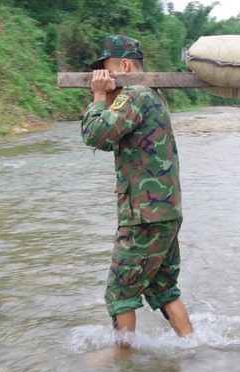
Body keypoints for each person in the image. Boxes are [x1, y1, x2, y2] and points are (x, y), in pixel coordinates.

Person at [81, 35, 193, 344]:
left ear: (125, 66)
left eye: (106, 70)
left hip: (143, 215)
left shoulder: (131, 95)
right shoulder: (152, 96)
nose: (103, 77)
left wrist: (98, 96)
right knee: (162, 287)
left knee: (119, 292)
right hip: (166, 213)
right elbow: (111, 142)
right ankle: (192, 346)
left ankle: (123, 363)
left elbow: (94, 134)